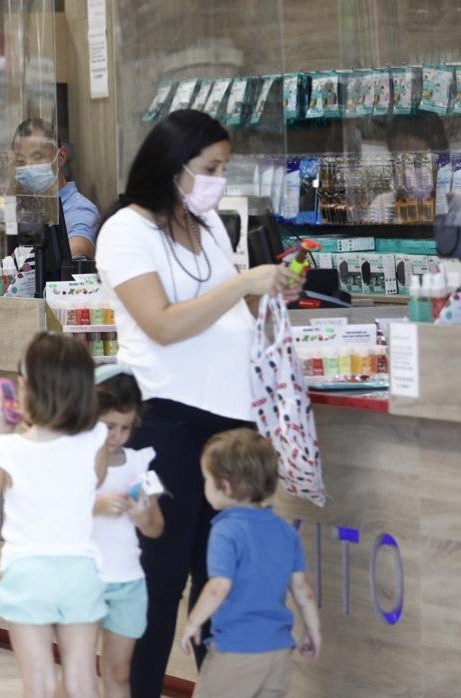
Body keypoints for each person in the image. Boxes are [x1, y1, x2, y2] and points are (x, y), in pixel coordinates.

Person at [93, 109, 302, 698]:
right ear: (172, 164)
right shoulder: (125, 232)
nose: (218, 179)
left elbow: (229, 318)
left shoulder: (208, 225)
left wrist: (267, 295)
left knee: (222, 577)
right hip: (168, 426)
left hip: (233, 428)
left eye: (224, 168)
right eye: (210, 168)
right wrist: (240, 283)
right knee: (159, 580)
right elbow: (160, 323)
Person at [0, 332, 107, 698]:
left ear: (30, 389)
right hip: (80, 570)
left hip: (28, 572)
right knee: (81, 679)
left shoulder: (8, 447)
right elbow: (97, 480)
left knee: (39, 683)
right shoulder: (96, 437)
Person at [180, 429, 322, 698]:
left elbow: (218, 586)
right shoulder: (285, 530)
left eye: (207, 479)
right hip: (278, 652)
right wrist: (314, 631)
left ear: (226, 485)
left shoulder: (225, 530)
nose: (204, 486)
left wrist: (193, 622)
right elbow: (303, 590)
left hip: (236, 651)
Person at [92, 367, 165, 698]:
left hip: (127, 581)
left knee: (119, 672)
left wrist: (142, 512)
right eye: (108, 426)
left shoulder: (140, 464)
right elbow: (58, 512)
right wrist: (97, 506)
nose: (116, 435)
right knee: (77, 670)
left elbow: (155, 528)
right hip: (83, 578)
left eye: (124, 427)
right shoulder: (73, 461)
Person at [10, 118, 100, 257]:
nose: (28, 167)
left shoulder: (80, 210)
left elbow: (77, 249)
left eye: (37, 157)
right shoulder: (28, 211)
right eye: (21, 161)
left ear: (61, 157)